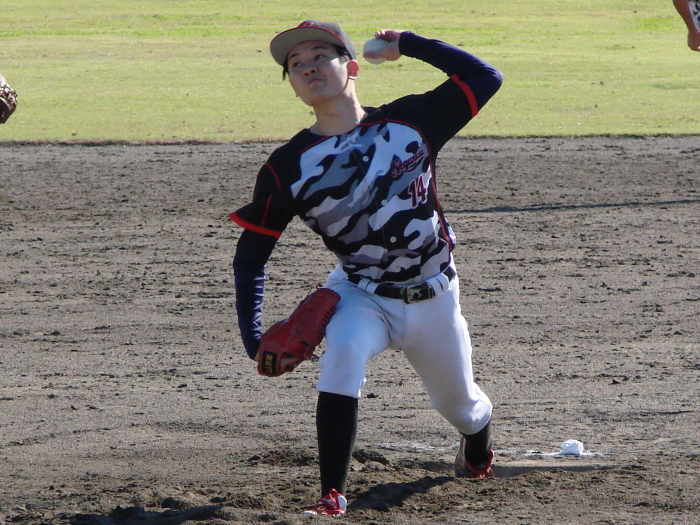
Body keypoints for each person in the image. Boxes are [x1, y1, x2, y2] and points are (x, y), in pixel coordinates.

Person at [231, 20, 503, 516]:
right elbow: (251, 255)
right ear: (293, 87)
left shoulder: (412, 121)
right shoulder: (287, 167)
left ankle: (477, 445)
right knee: (343, 352)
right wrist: (253, 338)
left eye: (320, 56)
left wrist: (409, 44)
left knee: (461, 406)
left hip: (434, 295)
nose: (307, 67)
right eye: (295, 64)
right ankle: (332, 494)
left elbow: (485, 77)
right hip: (361, 292)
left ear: (352, 67)